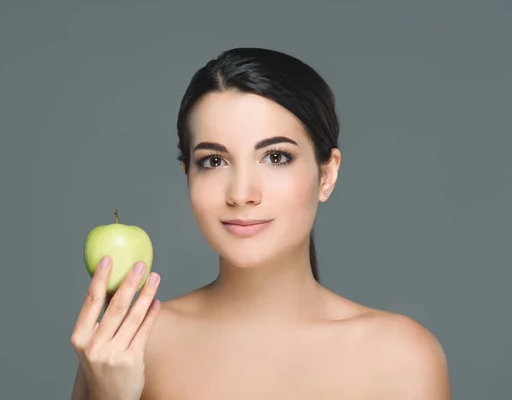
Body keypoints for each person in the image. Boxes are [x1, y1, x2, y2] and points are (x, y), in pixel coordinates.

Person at [70, 47, 451, 400]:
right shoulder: (127, 348)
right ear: (187, 173)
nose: (242, 193)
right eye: (214, 161)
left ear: (327, 174)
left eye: (276, 157)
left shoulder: (401, 358)